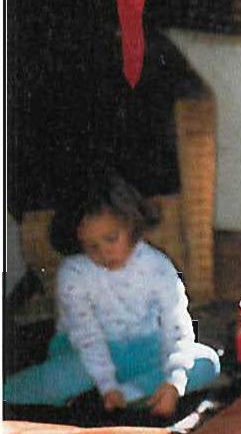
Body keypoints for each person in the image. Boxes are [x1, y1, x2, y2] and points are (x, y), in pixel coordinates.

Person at [3, 172, 221, 416]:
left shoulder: (158, 266)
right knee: (56, 380)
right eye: (92, 246)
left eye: (111, 238)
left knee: (206, 361)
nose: (104, 253)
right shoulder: (73, 273)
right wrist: (106, 383)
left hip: (142, 349)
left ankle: (126, 397)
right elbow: (86, 335)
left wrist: (175, 381)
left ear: (130, 224)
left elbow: (177, 325)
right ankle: (99, 395)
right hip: (83, 355)